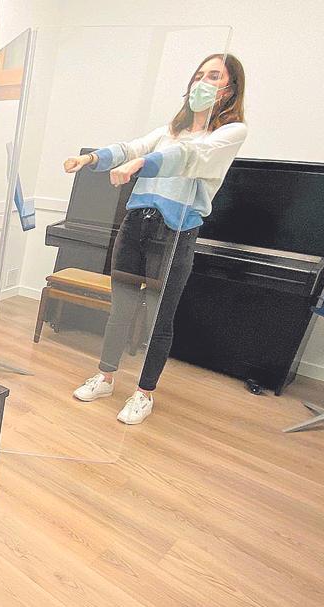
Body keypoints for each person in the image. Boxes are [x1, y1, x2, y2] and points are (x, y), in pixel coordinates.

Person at [63, 53, 247, 425]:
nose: (202, 83)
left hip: (175, 231)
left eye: (213, 76)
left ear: (229, 90)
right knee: (122, 309)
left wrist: (142, 165)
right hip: (137, 224)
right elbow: (134, 147)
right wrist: (92, 159)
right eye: (199, 74)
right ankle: (106, 376)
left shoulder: (230, 133)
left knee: (159, 318)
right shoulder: (170, 129)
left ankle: (144, 394)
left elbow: (189, 156)